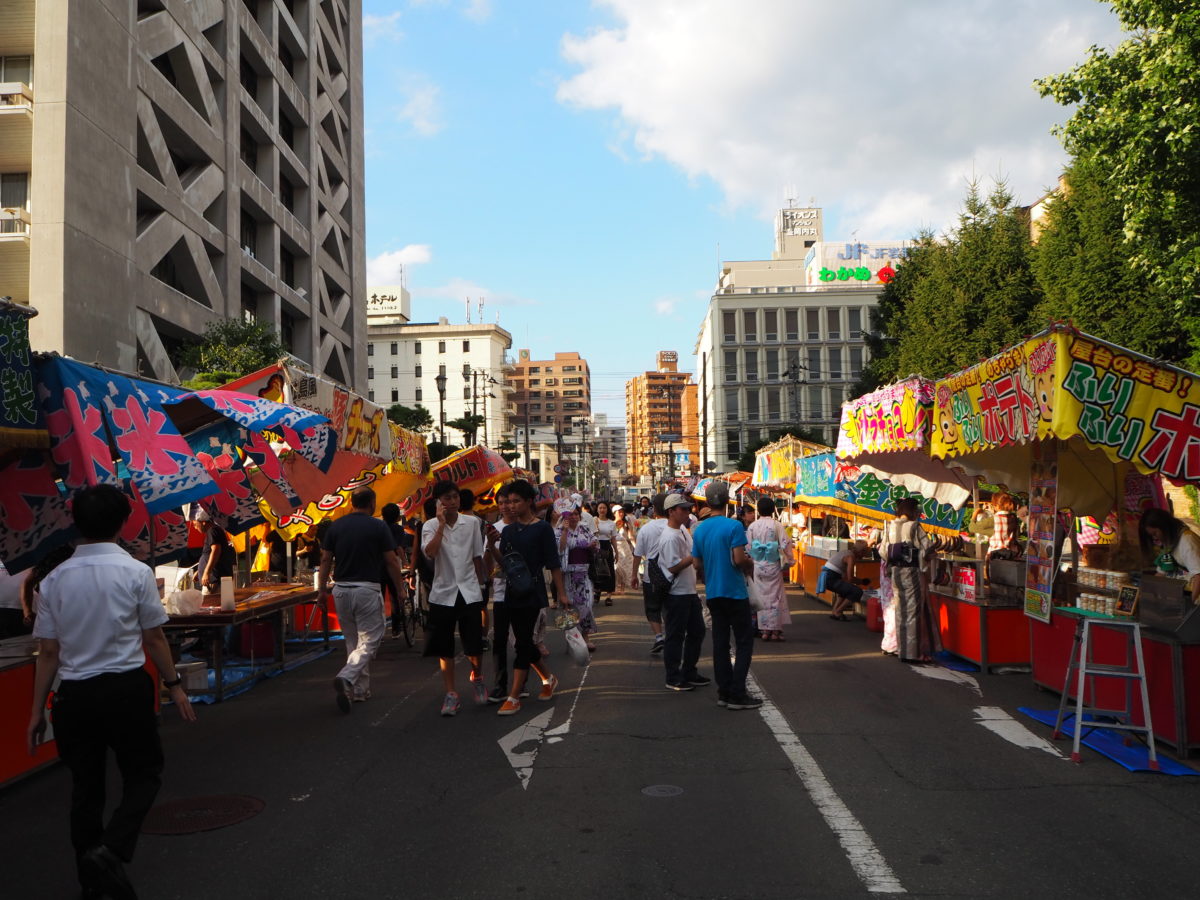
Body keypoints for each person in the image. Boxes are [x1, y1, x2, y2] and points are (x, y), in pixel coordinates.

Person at [26, 484, 197, 900]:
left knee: (86, 789)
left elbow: (47, 652)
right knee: (144, 775)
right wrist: (174, 686)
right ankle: (111, 850)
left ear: (76, 522)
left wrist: (37, 712)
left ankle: (92, 879)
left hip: (75, 696)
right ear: (123, 522)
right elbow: (154, 639)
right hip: (125, 689)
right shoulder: (135, 572)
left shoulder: (54, 580)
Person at [318, 487, 408, 711]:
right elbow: (391, 560)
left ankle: (359, 690)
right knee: (371, 639)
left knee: (352, 641)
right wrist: (400, 588)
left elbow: (325, 559)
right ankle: (348, 677)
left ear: (351, 502)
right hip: (366, 588)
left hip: (340, 589)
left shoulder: (336, 525)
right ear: (372, 503)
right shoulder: (378, 526)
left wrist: (321, 590)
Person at [494, 479, 566, 715]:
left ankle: (514, 696)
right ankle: (548, 678)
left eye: (516, 501)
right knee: (524, 641)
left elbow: (553, 563)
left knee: (523, 642)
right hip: (511, 592)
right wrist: (489, 545)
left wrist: (561, 594)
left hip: (534, 592)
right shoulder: (508, 531)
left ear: (529, 502)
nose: (511, 506)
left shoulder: (542, 528)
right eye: (508, 502)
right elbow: (504, 563)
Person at [691, 482, 761, 710]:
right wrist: (750, 564)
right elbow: (740, 559)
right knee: (743, 642)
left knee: (720, 643)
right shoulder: (733, 526)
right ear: (727, 501)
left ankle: (724, 692)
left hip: (714, 591)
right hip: (735, 591)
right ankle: (738, 694)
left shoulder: (700, 529)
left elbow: (697, 563)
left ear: (708, 502)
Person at [421, 480, 488, 716]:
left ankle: (477, 676)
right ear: (438, 502)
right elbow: (430, 553)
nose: (452, 502)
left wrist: (482, 585)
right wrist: (440, 525)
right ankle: (451, 693)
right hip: (443, 592)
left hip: (469, 591)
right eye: (447, 498)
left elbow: (478, 555)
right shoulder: (429, 525)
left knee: (474, 644)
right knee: (444, 646)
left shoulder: (472, 523)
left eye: (455, 497)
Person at [656, 493, 709, 691]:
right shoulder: (670, 537)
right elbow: (672, 567)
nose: (688, 512)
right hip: (676, 593)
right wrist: (694, 555)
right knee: (675, 636)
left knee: (697, 631)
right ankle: (673, 676)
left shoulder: (682, 531)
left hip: (688, 590)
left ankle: (689, 671)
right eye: (683, 509)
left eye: (688, 508)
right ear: (671, 512)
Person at [884, 497, 942, 663]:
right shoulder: (914, 526)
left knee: (900, 610)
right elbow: (927, 547)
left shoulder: (890, 526)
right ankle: (913, 653)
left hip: (896, 572)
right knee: (913, 611)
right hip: (912, 572)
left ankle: (902, 650)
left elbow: (883, 551)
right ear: (913, 511)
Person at [747, 497, 793, 641]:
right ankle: (775, 631)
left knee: (761, 596)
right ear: (773, 510)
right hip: (773, 564)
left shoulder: (753, 526)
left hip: (758, 565)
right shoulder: (776, 525)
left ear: (758, 510)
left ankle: (764, 630)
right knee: (775, 597)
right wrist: (790, 560)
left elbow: (748, 547)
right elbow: (785, 543)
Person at [557, 504, 600, 651]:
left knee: (587, 604)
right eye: (571, 514)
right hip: (567, 573)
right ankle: (573, 638)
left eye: (576, 514)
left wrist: (593, 545)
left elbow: (595, 541)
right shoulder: (559, 530)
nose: (574, 517)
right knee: (570, 606)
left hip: (584, 571)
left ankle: (585, 636)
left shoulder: (585, 528)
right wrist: (564, 530)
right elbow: (560, 548)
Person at [632, 493, 669, 654]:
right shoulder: (678, 527)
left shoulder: (646, 528)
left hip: (651, 574)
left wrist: (634, 575)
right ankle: (671, 635)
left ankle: (659, 636)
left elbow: (638, 554)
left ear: (654, 509)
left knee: (653, 608)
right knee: (669, 607)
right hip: (674, 574)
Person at [1139, 508, 1200, 600]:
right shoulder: (1168, 545)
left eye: (1155, 533)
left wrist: (1191, 603)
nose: (1154, 538)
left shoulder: (1187, 541)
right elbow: (1161, 573)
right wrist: (1143, 592)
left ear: (1164, 526)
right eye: (1151, 536)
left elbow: (1198, 576)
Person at [380, 502, 411, 637]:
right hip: (392, 566)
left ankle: (379, 630)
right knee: (395, 596)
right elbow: (398, 548)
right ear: (397, 516)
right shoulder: (398, 530)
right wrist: (405, 562)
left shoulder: (379, 527)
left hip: (378, 567)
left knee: (378, 599)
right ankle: (395, 628)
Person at [823, 541, 869, 621]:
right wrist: (862, 581)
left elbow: (846, 578)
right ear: (860, 551)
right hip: (830, 578)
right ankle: (838, 611)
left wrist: (858, 581)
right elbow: (850, 578)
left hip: (827, 578)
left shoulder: (846, 552)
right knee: (857, 592)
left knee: (846, 589)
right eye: (864, 553)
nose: (864, 555)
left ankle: (835, 611)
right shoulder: (850, 557)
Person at [592, 501, 618, 605]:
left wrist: (617, 552)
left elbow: (613, 539)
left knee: (609, 570)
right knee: (596, 571)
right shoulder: (593, 521)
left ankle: (609, 596)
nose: (602, 510)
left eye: (604, 508)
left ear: (607, 510)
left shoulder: (611, 523)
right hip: (596, 547)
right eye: (600, 508)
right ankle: (597, 592)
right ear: (597, 509)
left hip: (607, 547)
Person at [988, 493, 1023, 559]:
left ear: (997, 506)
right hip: (1011, 555)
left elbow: (980, 536)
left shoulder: (992, 519)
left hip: (995, 555)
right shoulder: (1013, 518)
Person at [612, 504, 636, 590]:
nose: (621, 513)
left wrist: (636, 547)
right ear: (614, 513)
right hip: (614, 547)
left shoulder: (626, 524)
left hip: (624, 547)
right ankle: (615, 586)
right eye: (619, 512)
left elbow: (631, 537)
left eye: (622, 511)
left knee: (624, 567)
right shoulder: (611, 523)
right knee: (616, 567)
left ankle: (622, 586)